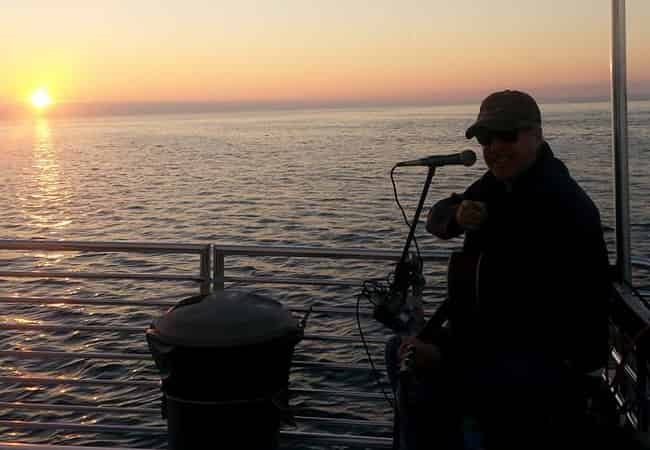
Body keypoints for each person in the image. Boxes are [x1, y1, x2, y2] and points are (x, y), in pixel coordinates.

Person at [386, 90, 611, 449]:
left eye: (507, 135)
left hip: (548, 357)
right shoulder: (496, 185)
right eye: (487, 138)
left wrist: (445, 355)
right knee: (400, 350)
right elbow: (437, 218)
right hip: (492, 341)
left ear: (537, 135)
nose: (495, 148)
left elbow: (526, 318)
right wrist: (456, 215)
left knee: (422, 370)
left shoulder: (560, 204)